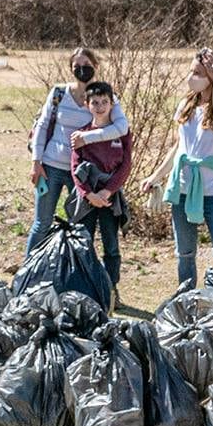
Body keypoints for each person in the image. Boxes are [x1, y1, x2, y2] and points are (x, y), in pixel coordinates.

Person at [139, 48, 213, 290]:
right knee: (185, 253)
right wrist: (155, 176)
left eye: (198, 72)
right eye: (191, 71)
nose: (191, 77)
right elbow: (179, 147)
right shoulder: (186, 103)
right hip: (184, 191)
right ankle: (185, 302)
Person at [25, 47, 130, 254]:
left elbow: (121, 128)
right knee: (41, 223)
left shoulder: (103, 97)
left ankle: (77, 274)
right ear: (71, 68)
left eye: (87, 66)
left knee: (79, 227)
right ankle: (27, 275)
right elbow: (43, 126)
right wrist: (36, 162)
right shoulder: (58, 93)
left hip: (84, 173)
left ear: (96, 67)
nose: (82, 70)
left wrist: (85, 138)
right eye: (77, 66)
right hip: (51, 167)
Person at [67, 81, 133, 305]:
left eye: (105, 102)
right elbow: (75, 168)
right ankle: (84, 291)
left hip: (109, 198)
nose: (100, 106)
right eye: (95, 102)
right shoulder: (81, 135)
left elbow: (125, 166)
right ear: (87, 105)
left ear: (112, 104)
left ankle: (112, 291)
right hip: (87, 200)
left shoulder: (122, 132)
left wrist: (108, 191)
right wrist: (88, 195)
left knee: (111, 245)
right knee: (83, 244)